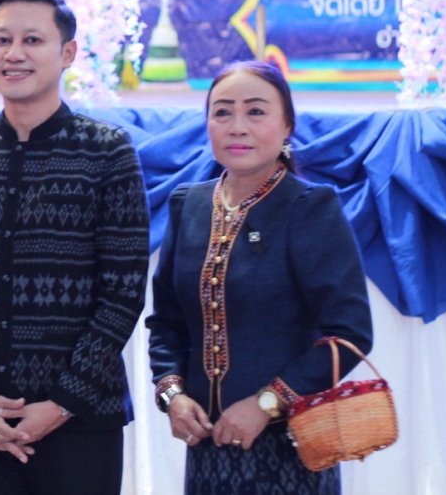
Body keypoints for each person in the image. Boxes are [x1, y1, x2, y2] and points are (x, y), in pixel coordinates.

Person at [0, 0, 149, 495]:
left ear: (67, 52)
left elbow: (122, 292)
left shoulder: (107, 151)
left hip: (81, 419)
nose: (14, 54)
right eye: (2, 40)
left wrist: (62, 402)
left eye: (32, 40)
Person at [146, 61, 373, 494]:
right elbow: (167, 324)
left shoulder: (309, 206)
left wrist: (266, 403)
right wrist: (173, 395)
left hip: (291, 448)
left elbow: (350, 335)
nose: (237, 127)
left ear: (287, 125)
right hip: (208, 446)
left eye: (255, 111)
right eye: (222, 112)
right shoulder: (188, 205)